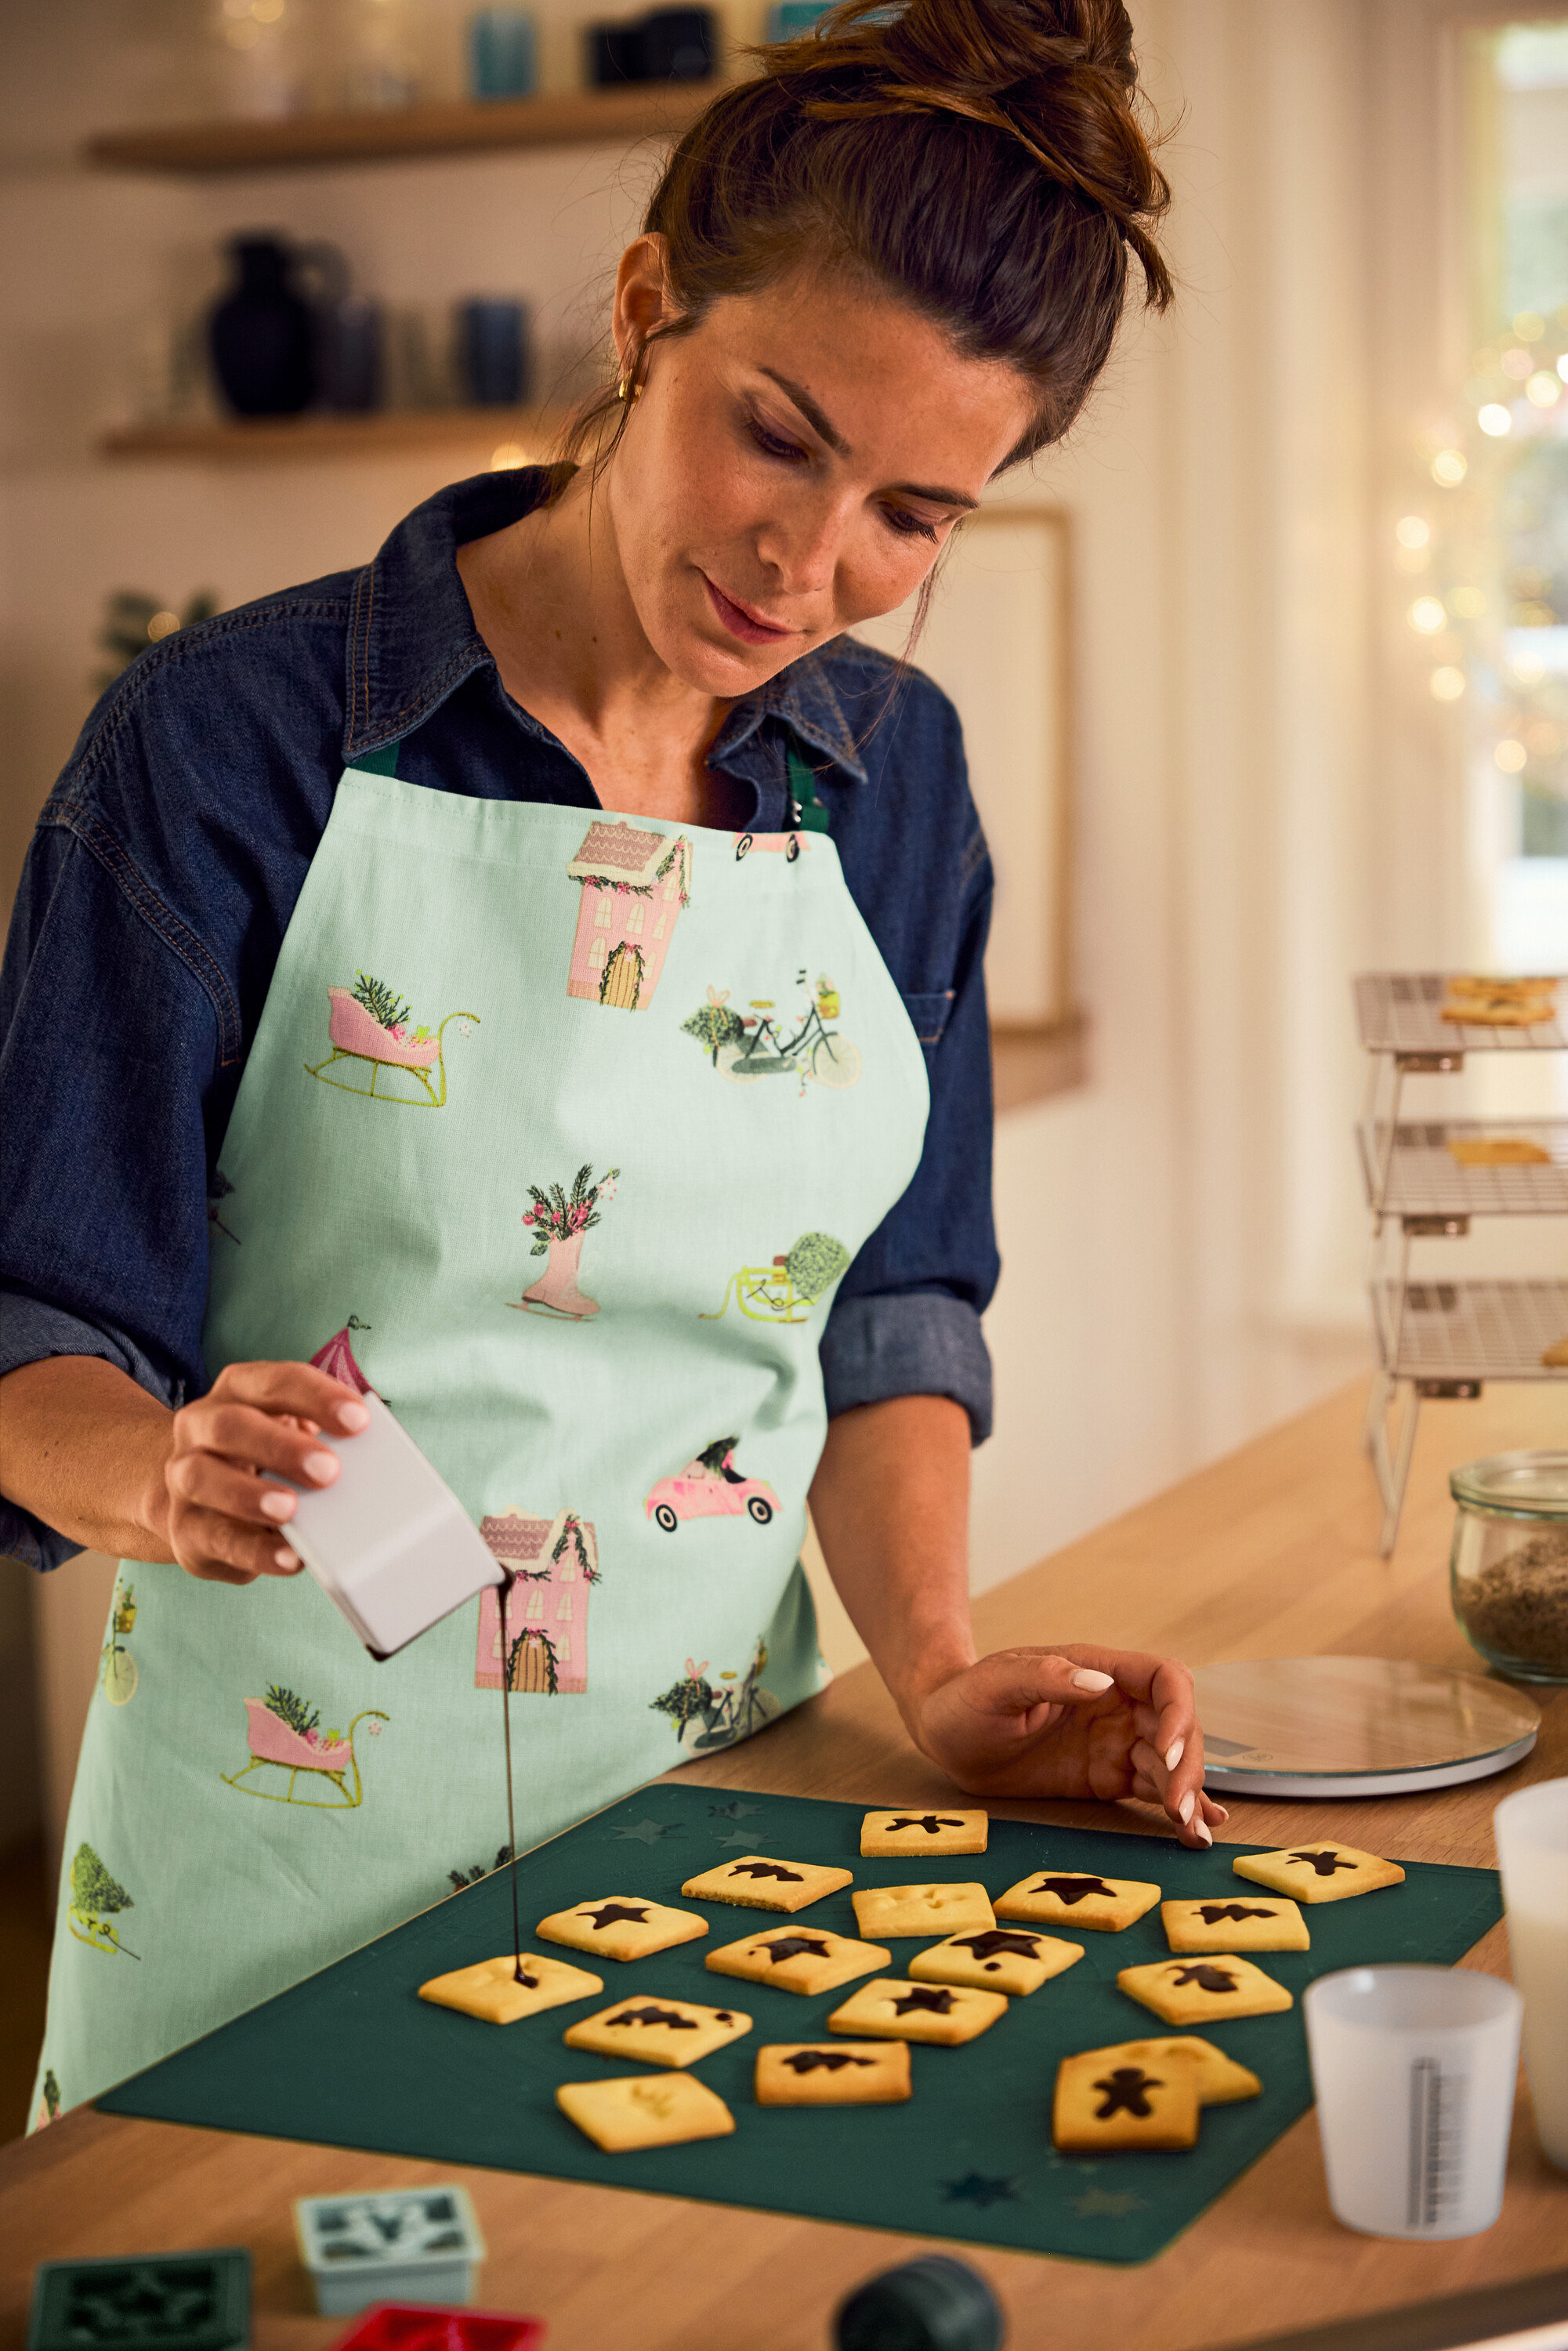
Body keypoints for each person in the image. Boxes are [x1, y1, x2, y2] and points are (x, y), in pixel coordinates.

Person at [0, 0, 1222, 2121]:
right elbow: (37, 1330)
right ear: (648, 310)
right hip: (277, 1859)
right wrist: (152, 1463)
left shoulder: (897, 781)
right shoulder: (233, 743)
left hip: (719, 1841)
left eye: (909, 517)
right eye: (776, 435)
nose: (805, 563)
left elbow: (888, 1307)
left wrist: (933, 1673)